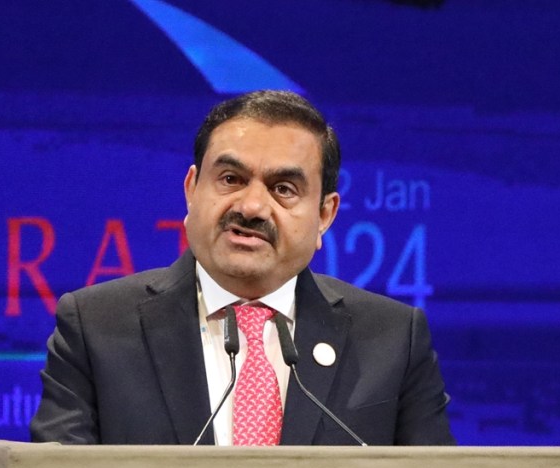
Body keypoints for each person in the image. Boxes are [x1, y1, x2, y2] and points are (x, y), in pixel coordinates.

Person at [30, 90, 454, 446]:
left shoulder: (394, 340)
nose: (251, 207)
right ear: (192, 189)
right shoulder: (96, 327)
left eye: (283, 189)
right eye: (231, 179)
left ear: (325, 214)